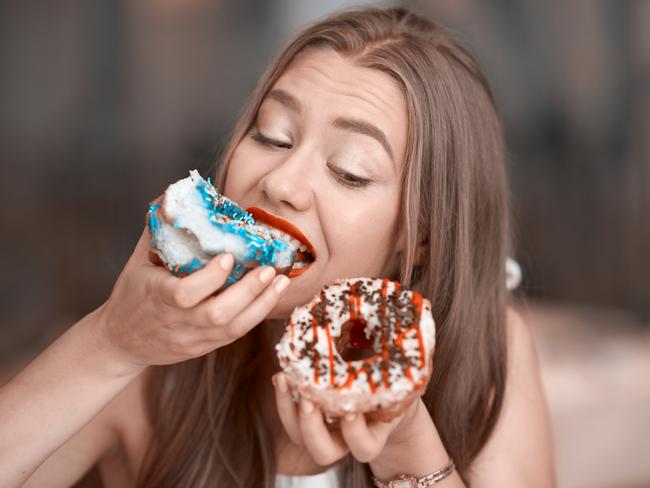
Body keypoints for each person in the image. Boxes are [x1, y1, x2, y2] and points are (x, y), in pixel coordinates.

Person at [0, 6, 555, 488]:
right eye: (272, 136)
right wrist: (111, 343)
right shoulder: (149, 363)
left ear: (422, 239)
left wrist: (404, 448)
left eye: (349, 171)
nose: (281, 183)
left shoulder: (486, 345)